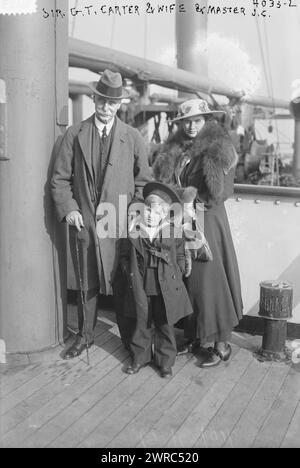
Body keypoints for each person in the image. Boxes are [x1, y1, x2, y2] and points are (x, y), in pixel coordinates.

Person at [51, 69, 151, 359]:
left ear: (120, 104)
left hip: (119, 226)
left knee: (125, 285)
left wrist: (134, 213)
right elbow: (59, 179)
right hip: (85, 223)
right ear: (94, 99)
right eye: (102, 101)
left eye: (112, 102)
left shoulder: (132, 138)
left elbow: (144, 183)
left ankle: (133, 344)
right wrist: (69, 209)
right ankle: (85, 336)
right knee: (86, 283)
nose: (106, 108)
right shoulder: (75, 134)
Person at [153, 98, 243, 367]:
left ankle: (222, 345)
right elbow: (166, 181)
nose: (191, 126)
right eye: (187, 121)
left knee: (211, 282)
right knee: (188, 279)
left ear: (207, 121)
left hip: (208, 220)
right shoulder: (177, 149)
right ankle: (195, 336)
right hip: (183, 220)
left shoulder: (219, 148)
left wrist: (192, 202)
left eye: (197, 121)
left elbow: (222, 191)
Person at [120, 181, 194, 378]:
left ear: (164, 214)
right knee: (141, 320)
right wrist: (128, 271)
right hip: (141, 282)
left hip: (165, 284)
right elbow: (125, 255)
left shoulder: (173, 231)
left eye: (156, 212)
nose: (150, 215)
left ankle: (165, 361)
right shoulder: (134, 229)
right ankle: (140, 357)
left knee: (164, 322)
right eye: (148, 210)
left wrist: (176, 271)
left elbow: (179, 256)